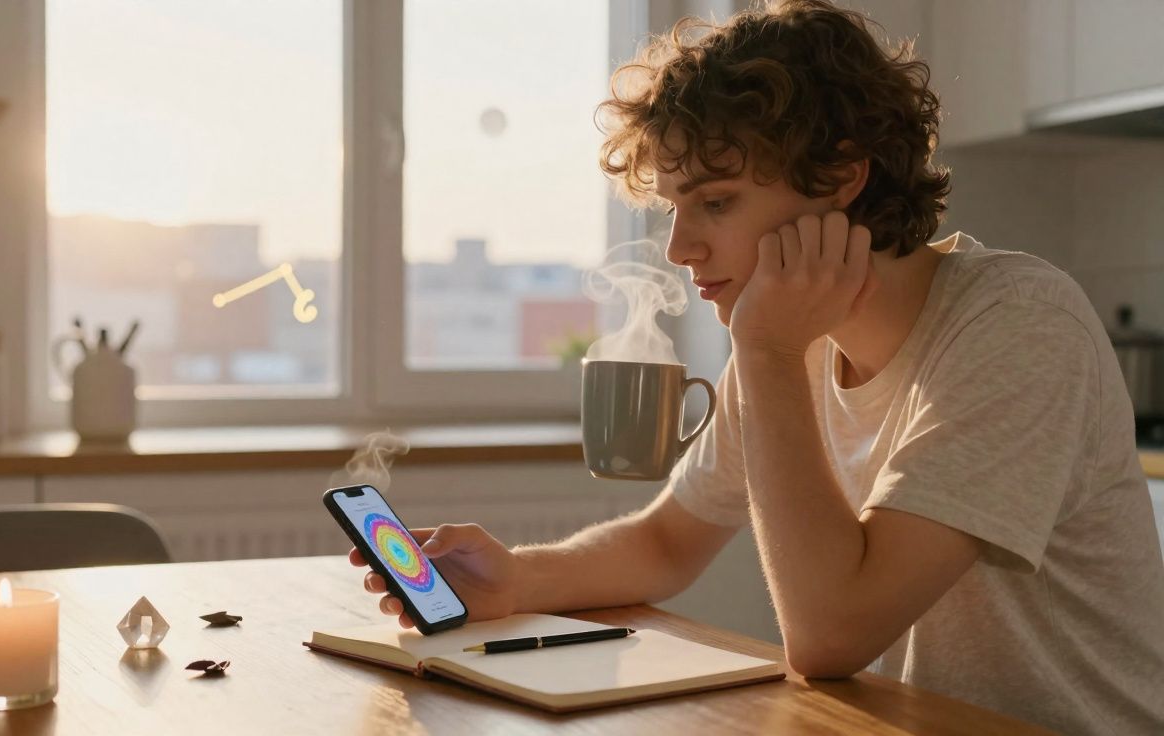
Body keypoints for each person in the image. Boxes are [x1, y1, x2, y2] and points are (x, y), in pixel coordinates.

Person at [349, 1, 1164, 732]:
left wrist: (767, 352)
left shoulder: (1017, 322)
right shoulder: (789, 335)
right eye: (675, 208)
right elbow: (667, 541)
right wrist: (515, 580)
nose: (680, 248)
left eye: (716, 202)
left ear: (841, 178)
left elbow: (831, 635)